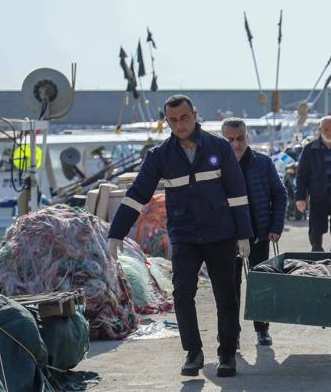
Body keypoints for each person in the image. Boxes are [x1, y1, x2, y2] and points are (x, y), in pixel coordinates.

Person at [107, 94, 252, 378]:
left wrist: (243, 234)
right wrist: (116, 234)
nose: (180, 124)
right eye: (173, 120)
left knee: (226, 296)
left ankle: (226, 355)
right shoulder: (160, 156)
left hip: (220, 234)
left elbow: (237, 193)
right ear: (166, 122)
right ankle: (193, 352)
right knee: (183, 293)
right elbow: (138, 195)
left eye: (184, 118)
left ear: (194, 115)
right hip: (185, 234)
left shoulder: (218, 147)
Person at [222, 117, 287, 347]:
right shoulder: (215, 164)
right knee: (230, 287)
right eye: (229, 140)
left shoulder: (263, 163)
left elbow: (280, 194)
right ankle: (231, 334)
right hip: (227, 237)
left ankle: (262, 328)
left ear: (247, 137)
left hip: (259, 234)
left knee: (260, 283)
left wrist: (275, 227)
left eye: (240, 138)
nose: (236, 144)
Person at [296, 116, 331, 252]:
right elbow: (301, 174)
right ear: (320, 130)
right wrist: (300, 197)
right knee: (315, 232)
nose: (329, 132)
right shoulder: (309, 149)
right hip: (317, 197)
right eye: (326, 129)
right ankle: (317, 258)